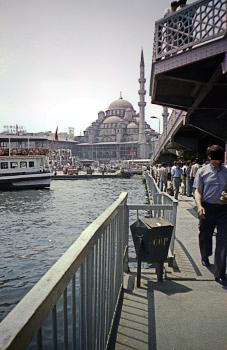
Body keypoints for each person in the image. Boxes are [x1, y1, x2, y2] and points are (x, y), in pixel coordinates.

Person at [193, 145, 227, 284]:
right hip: (207, 208)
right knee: (205, 235)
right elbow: (197, 191)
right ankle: (205, 255)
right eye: (215, 159)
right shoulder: (202, 171)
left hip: (224, 210)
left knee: (223, 239)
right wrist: (199, 206)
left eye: (220, 159)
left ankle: (220, 272)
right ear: (209, 157)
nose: (218, 162)